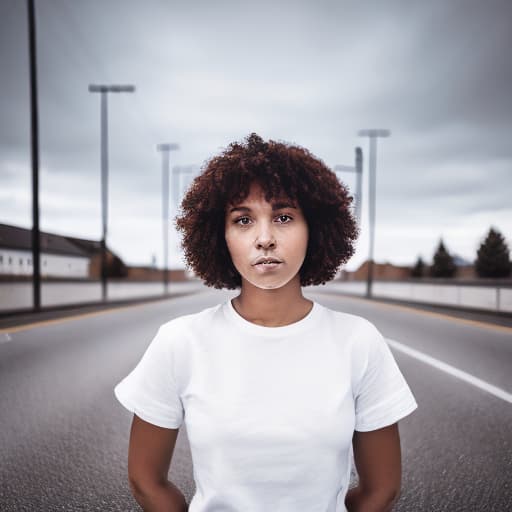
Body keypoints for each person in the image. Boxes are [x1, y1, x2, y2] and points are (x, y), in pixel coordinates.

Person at [114, 133, 417, 512]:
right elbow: (145, 480)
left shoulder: (359, 341)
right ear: (219, 235)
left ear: (316, 228)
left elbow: (382, 489)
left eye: (284, 217)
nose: (264, 239)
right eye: (243, 220)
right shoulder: (180, 341)